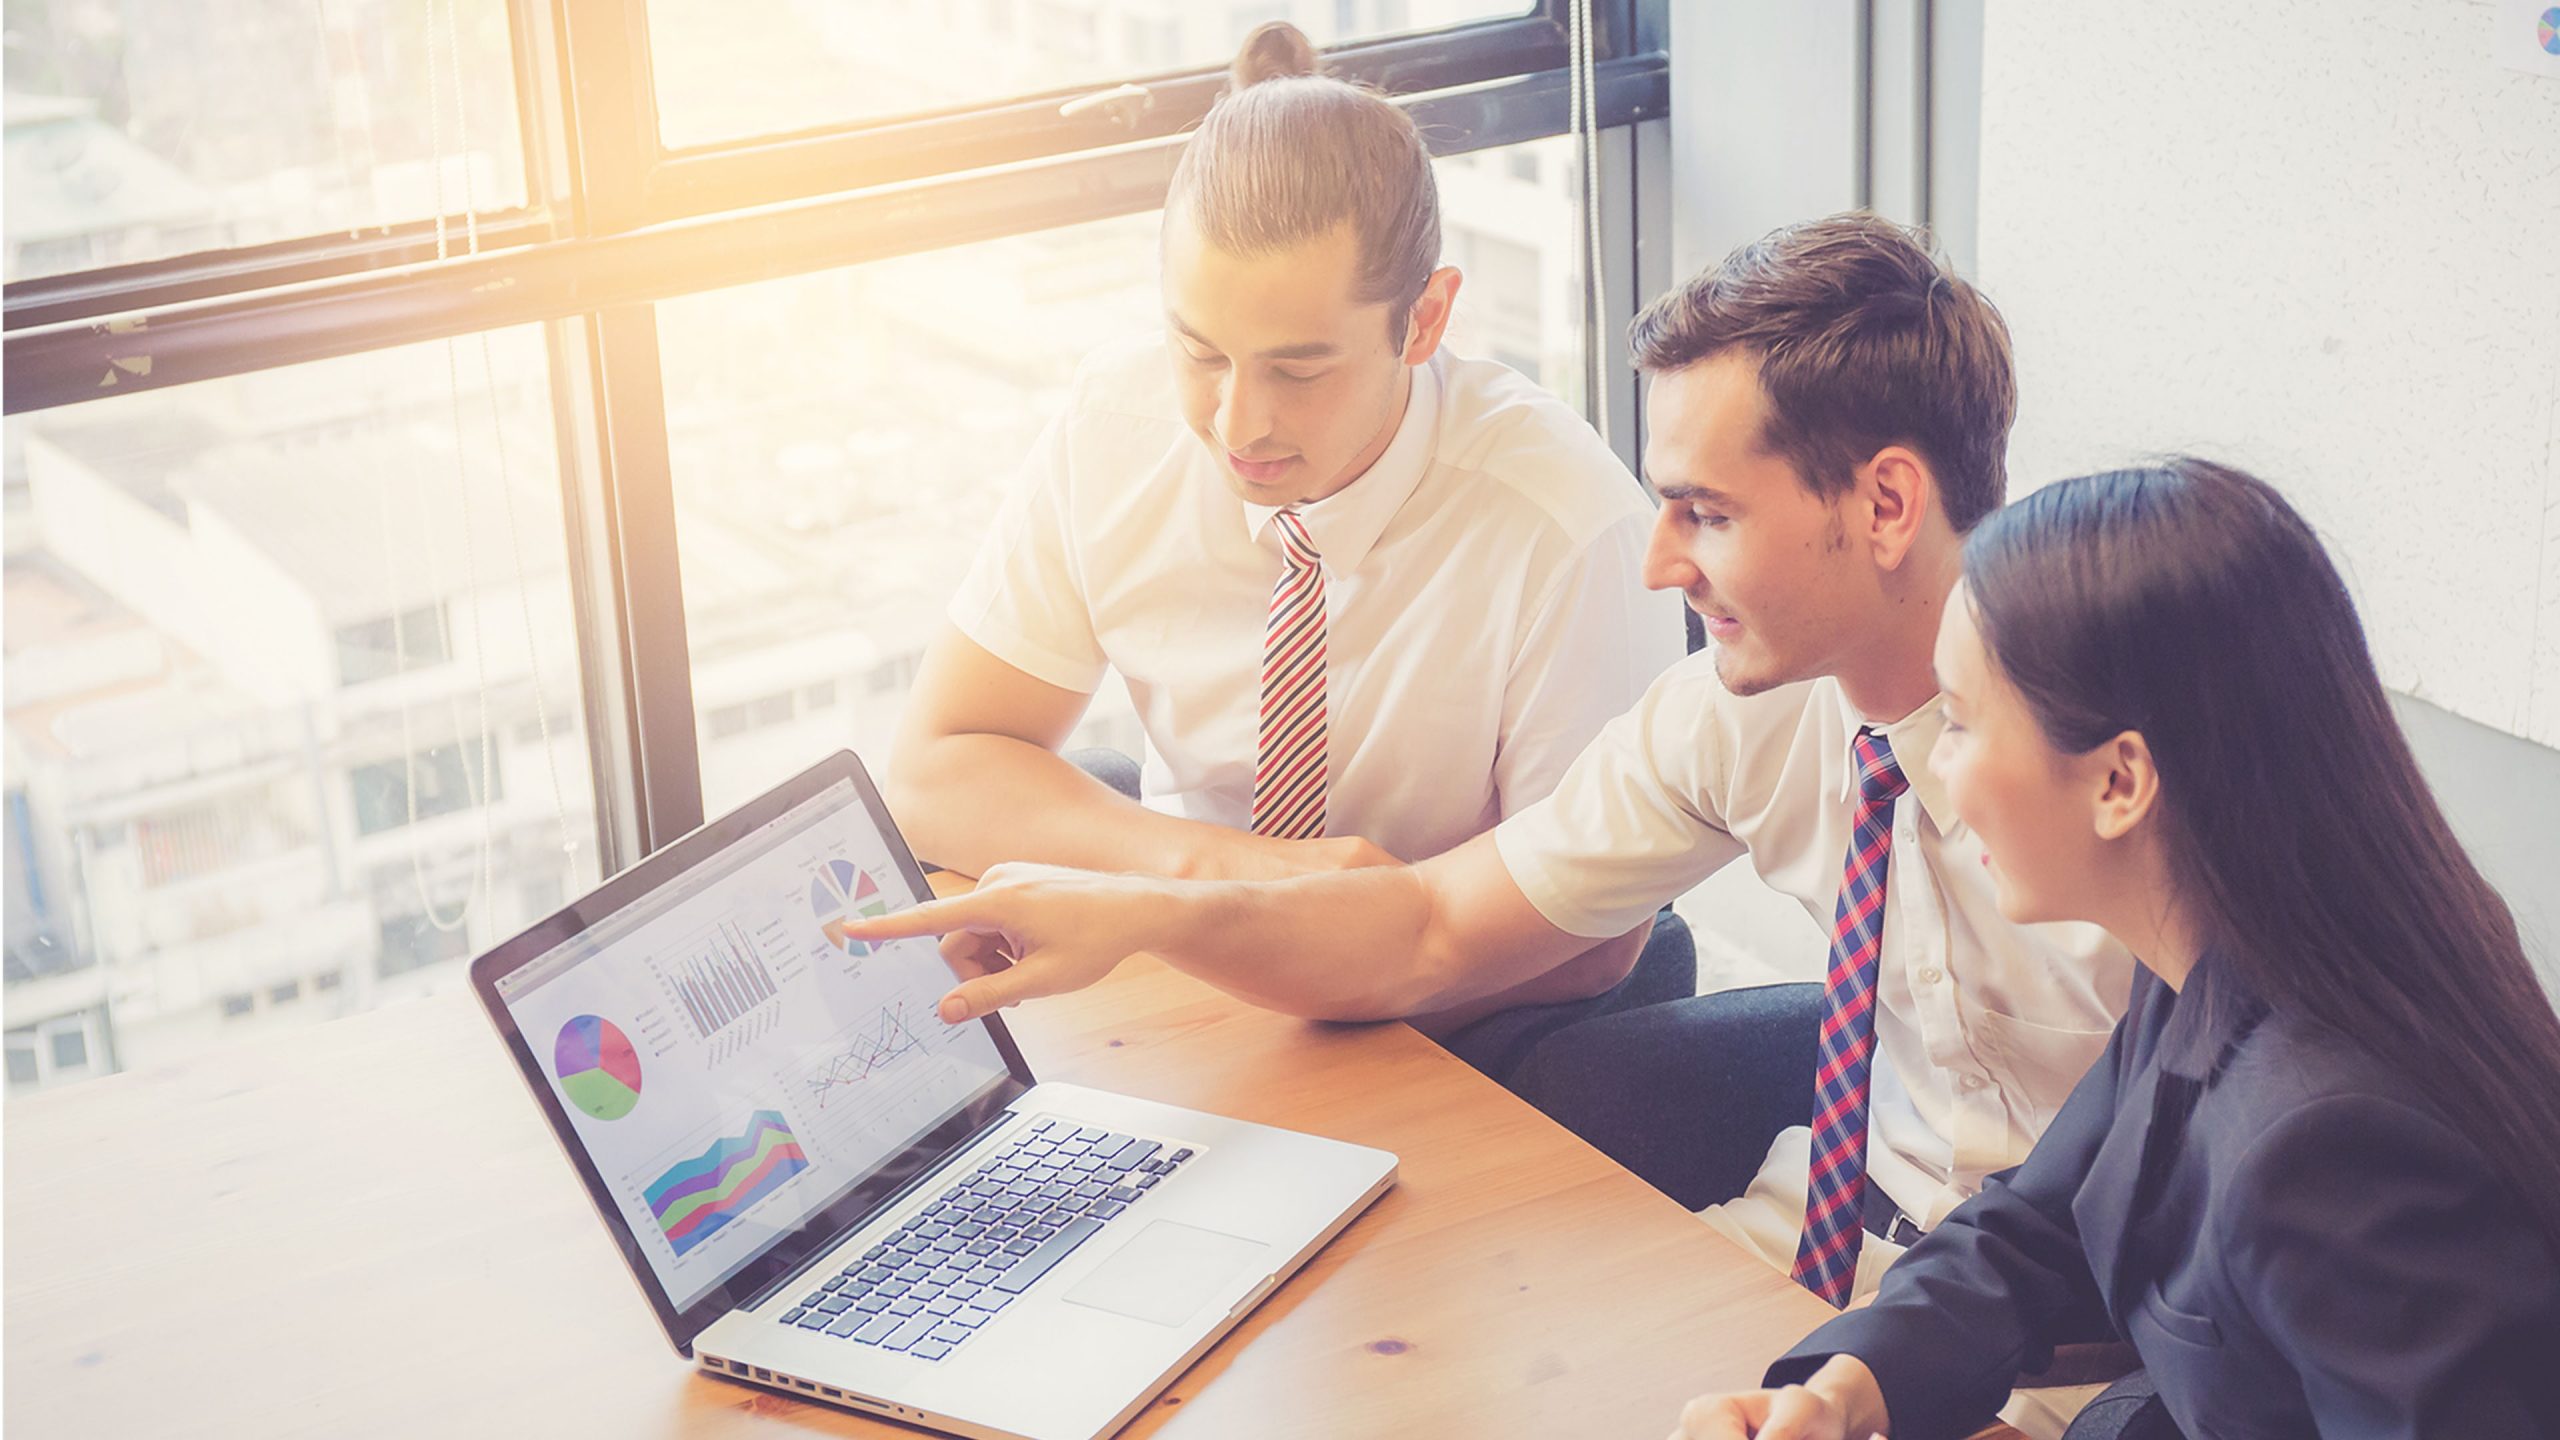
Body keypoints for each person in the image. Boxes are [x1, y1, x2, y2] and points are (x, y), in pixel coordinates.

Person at [852, 213, 2136, 1315]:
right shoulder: (1730, 717)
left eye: (1709, 514)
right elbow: (1420, 928)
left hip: (2050, 1342)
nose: (1659, 564)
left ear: (1886, 507)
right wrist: (1141, 917)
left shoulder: (2131, 771)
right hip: (1804, 1250)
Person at [1671, 458, 2560, 1440]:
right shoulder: (2217, 961)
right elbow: (2034, 1230)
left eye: (1960, 724)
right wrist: (1841, 1394)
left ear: (2118, 782)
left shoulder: (2329, 1144)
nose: (1940, 772)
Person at [883, 21, 1686, 1061]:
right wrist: (1214, 886)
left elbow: (1589, 942)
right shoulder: (1113, 423)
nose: (1237, 424)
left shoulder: (1569, 528)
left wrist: (1242, 938)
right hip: (1168, 991)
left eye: (1299, 371)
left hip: (1451, 1027)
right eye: (1199, 351)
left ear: (1426, 318)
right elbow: (936, 767)